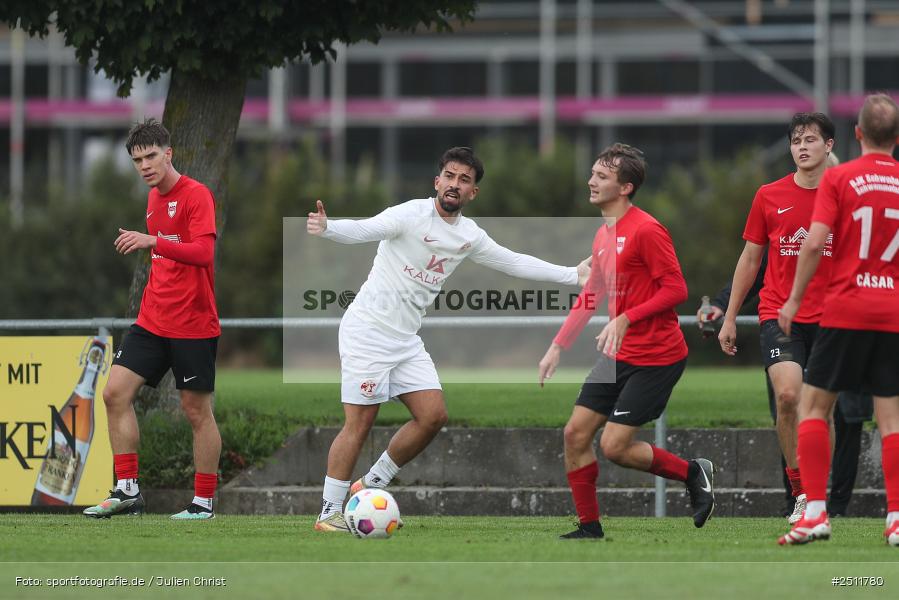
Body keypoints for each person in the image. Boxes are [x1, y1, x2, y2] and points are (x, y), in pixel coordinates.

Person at [306, 146, 591, 532]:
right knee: (360, 422)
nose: (455, 184)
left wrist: (573, 275)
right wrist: (329, 228)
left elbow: (513, 261)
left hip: (406, 339)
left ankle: (370, 486)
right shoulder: (410, 214)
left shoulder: (470, 236)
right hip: (368, 331)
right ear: (437, 181)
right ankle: (328, 513)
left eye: (465, 180)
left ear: (473, 192)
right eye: (450, 176)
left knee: (433, 416)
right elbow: (366, 228)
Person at [537, 143, 715, 539]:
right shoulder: (603, 235)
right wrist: (557, 346)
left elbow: (677, 289)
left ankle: (692, 473)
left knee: (615, 446)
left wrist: (626, 317)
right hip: (619, 355)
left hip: (658, 357)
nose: (591, 181)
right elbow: (592, 294)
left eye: (602, 176)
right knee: (575, 434)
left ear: (626, 187)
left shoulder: (648, 230)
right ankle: (589, 527)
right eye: (593, 173)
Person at [82, 118, 222, 520]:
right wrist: (154, 243)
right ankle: (127, 492)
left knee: (197, 412)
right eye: (137, 160)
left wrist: (151, 241)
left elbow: (203, 254)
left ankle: (203, 504)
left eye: (151, 156)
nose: (144, 166)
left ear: (169, 154)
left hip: (193, 324)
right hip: (152, 320)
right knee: (114, 393)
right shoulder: (152, 199)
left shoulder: (197, 195)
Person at [778, 93, 899, 546]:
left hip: (846, 307)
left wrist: (792, 301)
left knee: (812, 409)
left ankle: (815, 514)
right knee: (891, 421)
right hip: (892, 312)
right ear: (897, 138)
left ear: (857, 135)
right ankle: (896, 519)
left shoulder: (840, 178)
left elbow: (813, 244)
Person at [718, 113, 836, 525]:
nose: (802, 147)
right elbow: (750, 259)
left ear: (829, 146)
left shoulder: (843, 196)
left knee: (820, 409)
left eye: (810, 140)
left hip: (833, 316)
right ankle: (801, 492)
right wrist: (730, 316)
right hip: (779, 315)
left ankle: (819, 495)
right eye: (796, 141)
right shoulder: (768, 195)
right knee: (788, 397)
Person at [699, 250, 873, 517]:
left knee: (845, 413)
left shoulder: (847, 212)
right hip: (784, 323)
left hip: (840, 319)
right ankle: (798, 500)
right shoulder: (779, 213)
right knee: (787, 404)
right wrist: (723, 306)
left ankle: (835, 506)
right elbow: (757, 264)